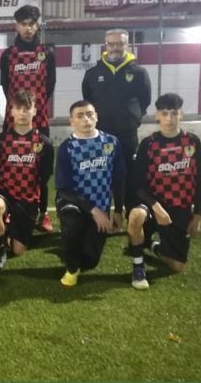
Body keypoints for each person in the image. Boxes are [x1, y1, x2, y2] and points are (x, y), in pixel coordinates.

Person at [127, 93, 201, 289]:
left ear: (181, 114)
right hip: (151, 203)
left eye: (174, 113)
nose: (169, 119)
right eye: (164, 114)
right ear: (157, 116)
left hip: (179, 206)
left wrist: (197, 216)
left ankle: (151, 245)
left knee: (177, 266)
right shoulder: (149, 143)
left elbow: (199, 181)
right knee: (136, 216)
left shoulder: (192, 142)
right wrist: (156, 206)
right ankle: (138, 268)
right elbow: (137, 185)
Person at [55, 100, 125, 287]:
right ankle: (71, 268)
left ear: (96, 117)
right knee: (73, 221)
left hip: (101, 205)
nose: (85, 119)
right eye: (79, 116)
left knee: (90, 262)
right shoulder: (67, 148)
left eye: (89, 114)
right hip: (72, 202)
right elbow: (64, 189)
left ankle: (73, 246)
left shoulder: (111, 142)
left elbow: (118, 178)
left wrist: (118, 210)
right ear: (72, 121)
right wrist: (95, 210)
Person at [82, 28, 151, 216]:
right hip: (100, 134)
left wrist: (133, 118)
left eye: (120, 43)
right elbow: (88, 101)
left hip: (127, 133)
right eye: (111, 43)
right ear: (106, 45)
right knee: (100, 174)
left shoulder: (139, 72)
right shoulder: (92, 73)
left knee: (128, 174)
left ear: (127, 45)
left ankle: (131, 215)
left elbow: (145, 100)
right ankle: (100, 216)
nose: (115, 48)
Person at [0, 5, 57, 233]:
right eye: (23, 24)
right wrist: (19, 110)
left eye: (31, 24)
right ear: (16, 26)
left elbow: (50, 85)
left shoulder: (47, 53)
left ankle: (43, 214)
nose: (27, 28)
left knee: (40, 169)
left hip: (39, 118)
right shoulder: (8, 55)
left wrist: (34, 108)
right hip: (13, 119)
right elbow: (6, 86)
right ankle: (10, 211)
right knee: (11, 165)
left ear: (37, 25)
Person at [0, 90, 53, 271]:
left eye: (27, 108)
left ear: (34, 111)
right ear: (12, 111)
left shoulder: (44, 143)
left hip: (27, 197)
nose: (23, 113)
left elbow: (44, 176)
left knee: (19, 250)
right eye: (19, 108)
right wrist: (2, 185)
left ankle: (5, 230)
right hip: (3, 192)